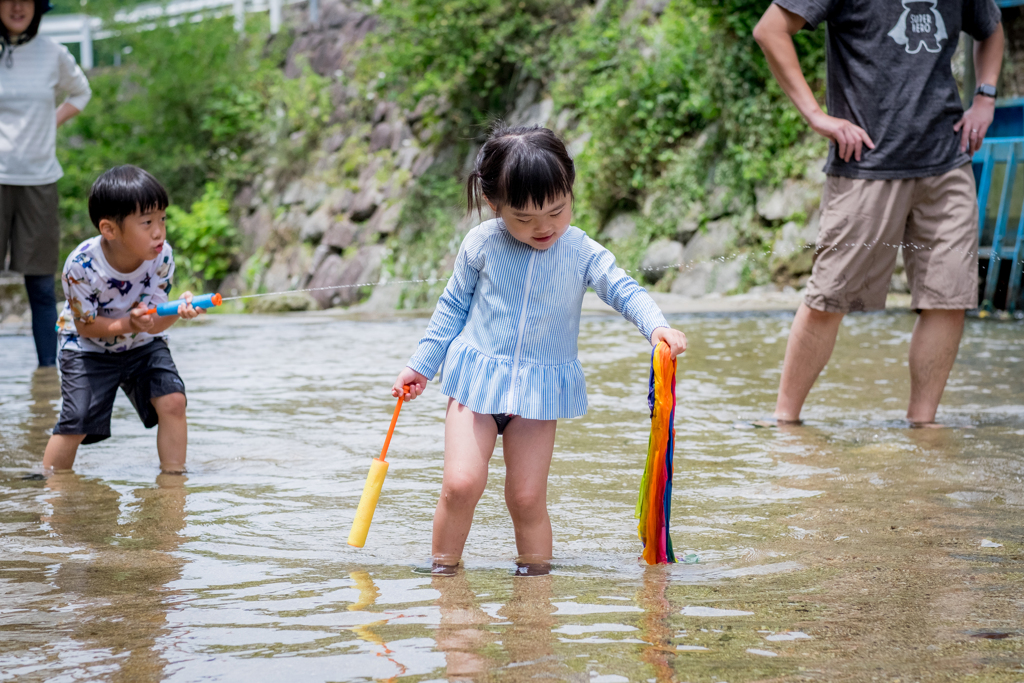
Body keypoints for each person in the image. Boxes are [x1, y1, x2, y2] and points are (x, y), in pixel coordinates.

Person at [392, 125, 688, 572]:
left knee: (527, 498)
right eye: (524, 219)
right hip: (475, 383)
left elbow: (625, 290)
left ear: (570, 191)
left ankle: (535, 593)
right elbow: (451, 308)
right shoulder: (481, 243)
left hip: (537, 393)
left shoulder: (582, 251)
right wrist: (421, 365)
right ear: (494, 205)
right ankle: (444, 577)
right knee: (460, 484)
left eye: (557, 210)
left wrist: (657, 328)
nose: (544, 227)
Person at [753, 0, 1004, 426]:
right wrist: (816, 116)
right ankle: (784, 421)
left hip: (947, 160)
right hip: (865, 164)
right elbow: (770, 30)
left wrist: (985, 96)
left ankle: (922, 427)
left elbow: (990, 28)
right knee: (830, 296)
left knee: (949, 298)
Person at [42, 166, 202, 474]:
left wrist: (177, 313)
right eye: (147, 222)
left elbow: (153, 321)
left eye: (162, 219)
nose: (159, 231)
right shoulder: (81, 265)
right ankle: (50, 485)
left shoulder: (162, 257)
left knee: (173, 401)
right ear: (110, 229)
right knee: (77, 420)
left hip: (142, 344)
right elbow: (87, 327)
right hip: (85, 347)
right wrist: (129, 324)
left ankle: (173, 481)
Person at [0, 0, 91, 367]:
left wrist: (48, 124)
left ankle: (48, 378)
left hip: (40, 179)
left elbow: (81, 92)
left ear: (38, 8)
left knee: (40, 286)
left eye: (28, 0)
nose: (18, 6)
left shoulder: (53, 53)